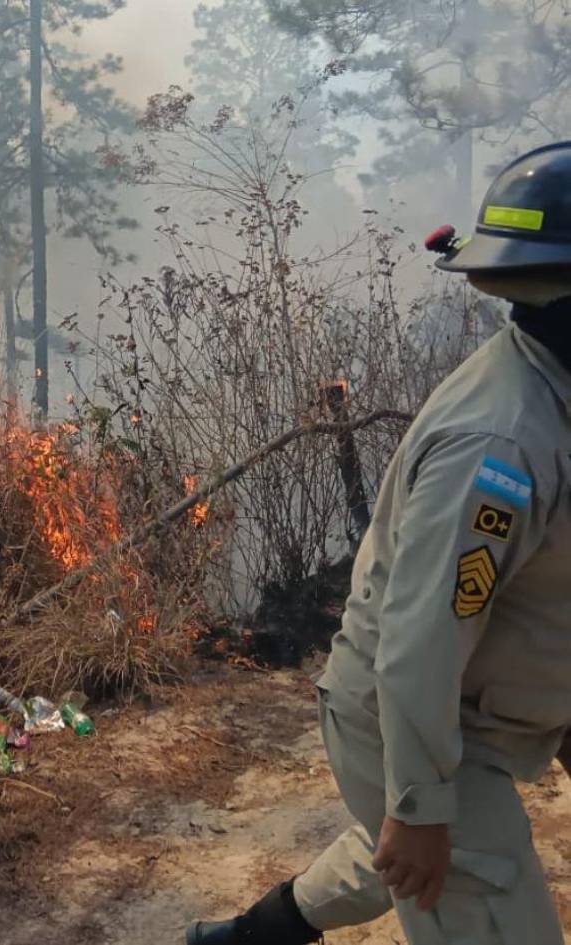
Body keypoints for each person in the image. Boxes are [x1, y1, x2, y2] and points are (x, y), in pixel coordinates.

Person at [186, 141, 571, 944]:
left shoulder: (552, 391)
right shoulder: (500, 448)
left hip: (473, 699)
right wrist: (423, 804)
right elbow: (422, 636)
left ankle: (255, 936)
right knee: (469, 877)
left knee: (409, 854)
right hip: (411, 709)